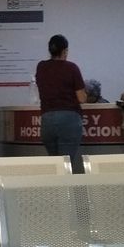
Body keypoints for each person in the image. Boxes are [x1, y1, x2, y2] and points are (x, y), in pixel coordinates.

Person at [35, 34, 87, 164]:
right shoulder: (72, 68)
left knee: (56, 165)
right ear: (65, 50)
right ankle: (67, 185)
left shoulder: (41, 67)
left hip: (47, 120)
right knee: (67, 164)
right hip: (69, 120)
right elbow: (81, 98)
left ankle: (57, 184)